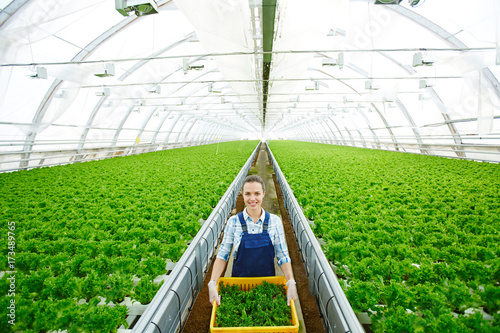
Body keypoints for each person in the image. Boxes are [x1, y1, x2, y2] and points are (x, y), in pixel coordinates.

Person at [207, 175, 298, 306]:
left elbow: (282, 255)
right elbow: (222, 255)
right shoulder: (234, 222)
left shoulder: (274, 222)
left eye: (257, 193)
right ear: (242, 195)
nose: (252, 198)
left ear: (263, 194)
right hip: (239, 285)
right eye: (247, 194)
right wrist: (212, 282)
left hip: (267, 285)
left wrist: (290, 281)